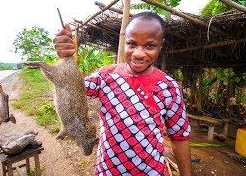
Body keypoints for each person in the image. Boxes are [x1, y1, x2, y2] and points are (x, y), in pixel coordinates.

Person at [53, 12, 191, 176]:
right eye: (132, 44)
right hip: (107, 172)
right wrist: (66, 58)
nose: (139, 53)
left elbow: (179, 138)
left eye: (149, 46)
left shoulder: (169, 87)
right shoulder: (104, 77)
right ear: (124, 41)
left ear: (161, 45)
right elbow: (71, 89)